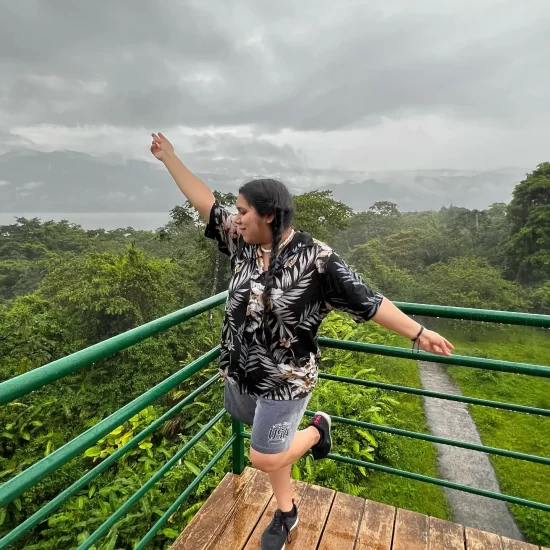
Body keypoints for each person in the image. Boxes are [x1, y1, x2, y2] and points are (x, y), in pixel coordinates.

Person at [150, 132, 454, 550]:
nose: (234, 218)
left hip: (286, 378)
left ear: (269, 216)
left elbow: (368, 300)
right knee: (263, 440)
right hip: (240, 369)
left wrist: (419, 332)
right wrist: (170, 158)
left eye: (242, 211)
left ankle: (317, 430)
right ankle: (287, 512)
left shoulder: (318, 260)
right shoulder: (242, 240)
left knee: (263, 456)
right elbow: (203, 201)